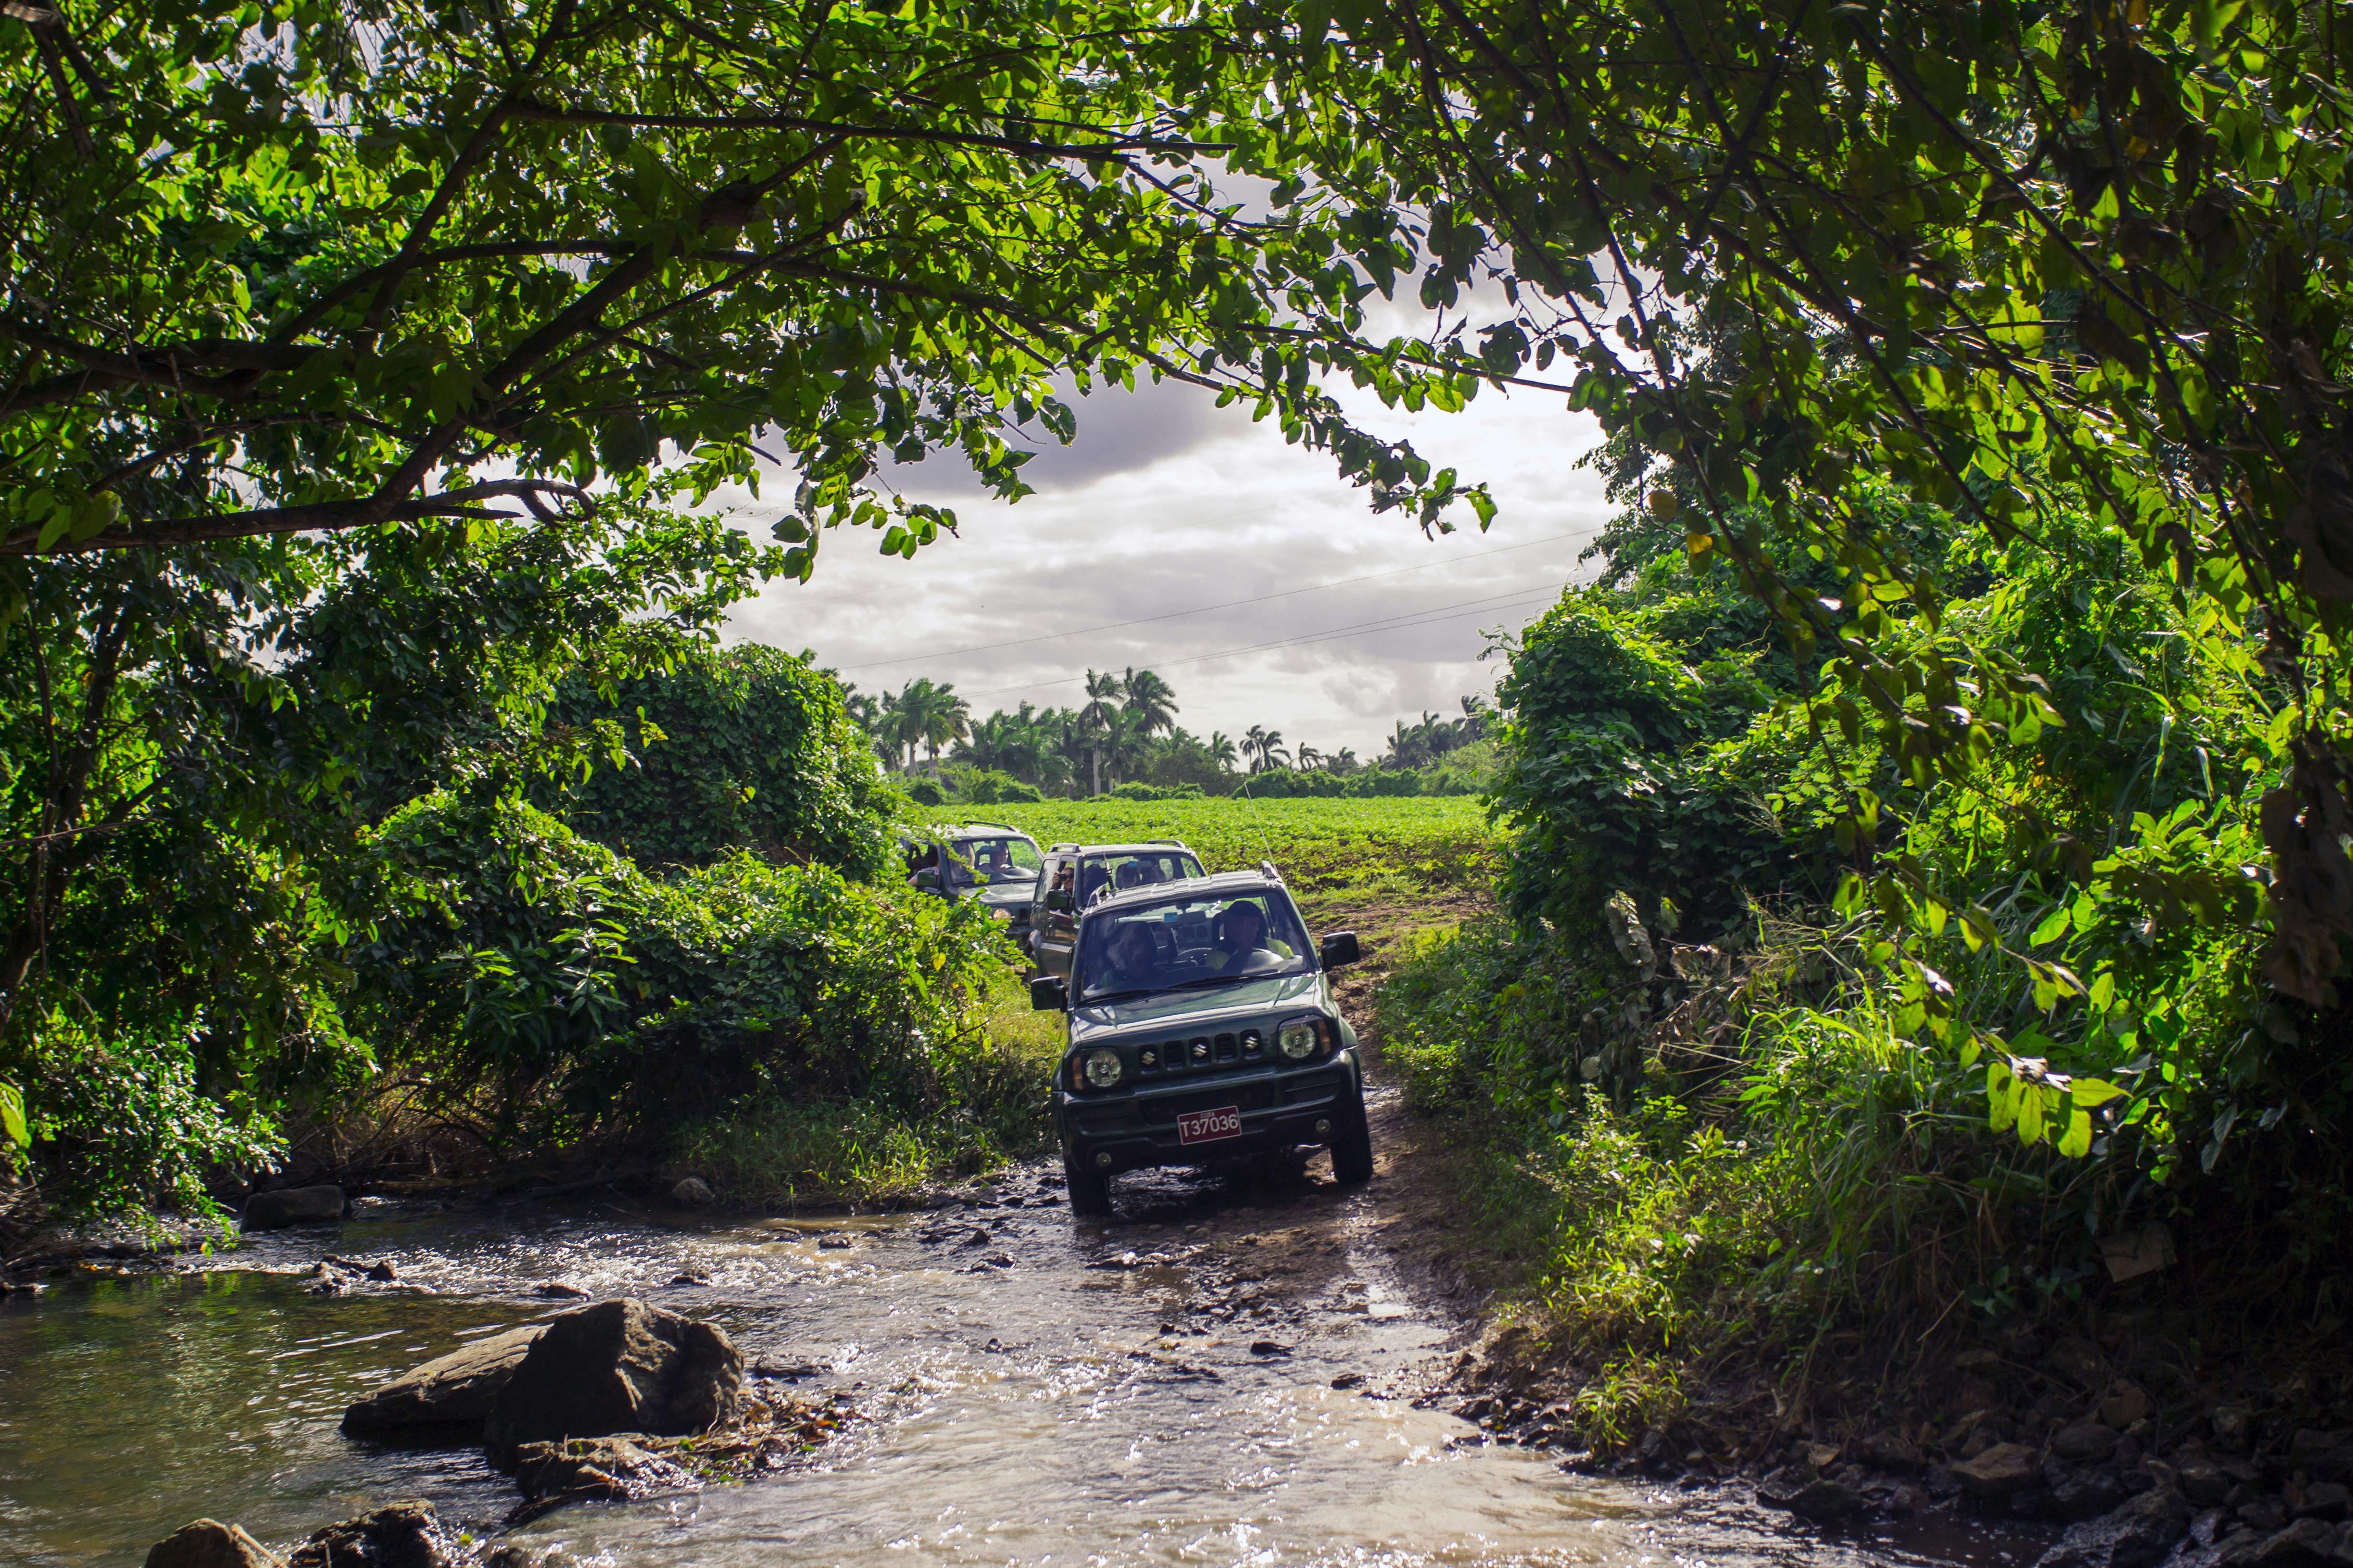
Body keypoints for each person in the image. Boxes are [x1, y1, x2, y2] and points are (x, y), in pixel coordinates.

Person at [1205, 900, 1293, 973]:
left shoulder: (1278, 948)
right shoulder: (1216, 956)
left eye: (1240, 922)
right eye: (1230, 921)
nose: (1233, 926)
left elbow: (1293, 977)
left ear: (1255, 924)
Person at [1096, 922, 1161, 992]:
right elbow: (1096, 995)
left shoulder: (1162, 977)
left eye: (1140, 942)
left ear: (1150, 946)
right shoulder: (1110, 978)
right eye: (1131, 943)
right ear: (1123, 948)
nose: (1136, 948)